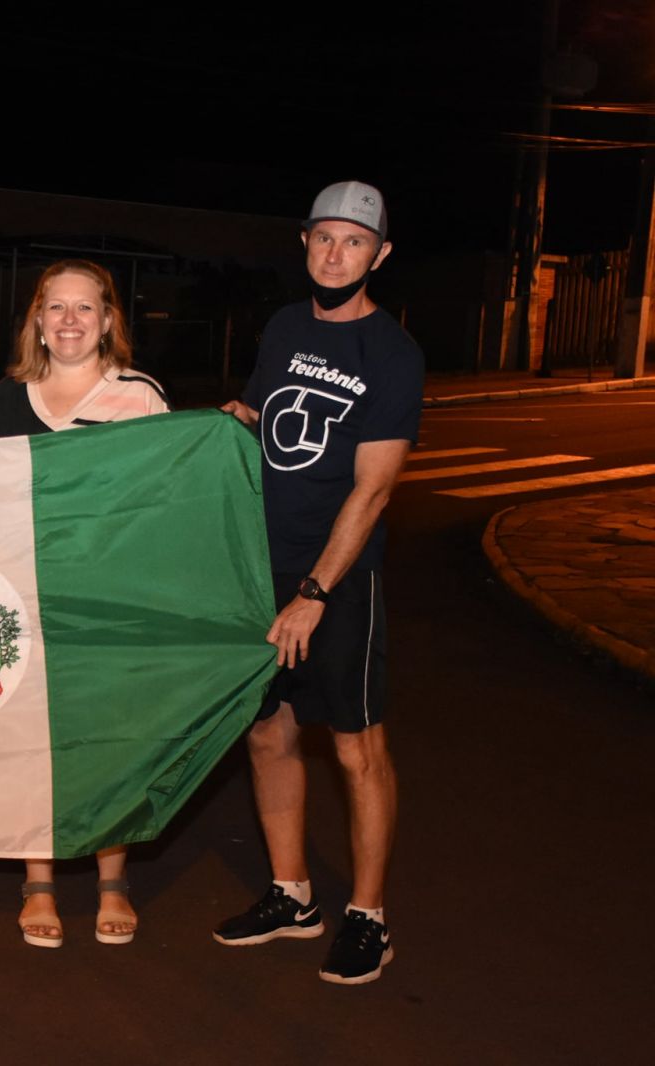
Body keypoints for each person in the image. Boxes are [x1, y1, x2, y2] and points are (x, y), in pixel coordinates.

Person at [216, 181, 423, 985]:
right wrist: (239, 421)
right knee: (267, 732)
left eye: (355, 241)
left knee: (355, 747)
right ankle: (292, 895)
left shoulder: (393, 354)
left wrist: (314, 593)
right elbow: (267, 417)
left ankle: (369, 915)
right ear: (304, 241)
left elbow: (373, 490)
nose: (336, 254)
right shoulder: (283, 327)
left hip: (336, 580)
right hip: (257, 569)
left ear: (380, 254)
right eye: (325, 237)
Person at [0, 258, 170, 949]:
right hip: (26, 598)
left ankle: (113, 880)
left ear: (108, 320)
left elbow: (166, 499)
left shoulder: (140, 397)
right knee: (34, 741)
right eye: (55, 306)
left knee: (109, 740)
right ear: (37, 320)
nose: (69, 320)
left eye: (85, 307)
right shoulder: (7, 398)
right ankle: (39, 881)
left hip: (110, 603)